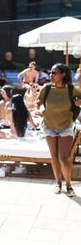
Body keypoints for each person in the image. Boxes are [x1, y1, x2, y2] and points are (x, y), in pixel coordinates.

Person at [37, 63, 81, 197]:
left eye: (54, 73)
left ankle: (68, 185)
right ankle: (58, 183)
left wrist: (78, 102)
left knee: (64, 158)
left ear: (63, 75)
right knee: (54, 157)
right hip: (49, 126)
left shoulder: (71, 89)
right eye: (50, 72)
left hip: (66, 126)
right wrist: (40, 108)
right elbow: (38, 103)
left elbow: (79, 99)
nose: (51, 75)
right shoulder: (46, 88)